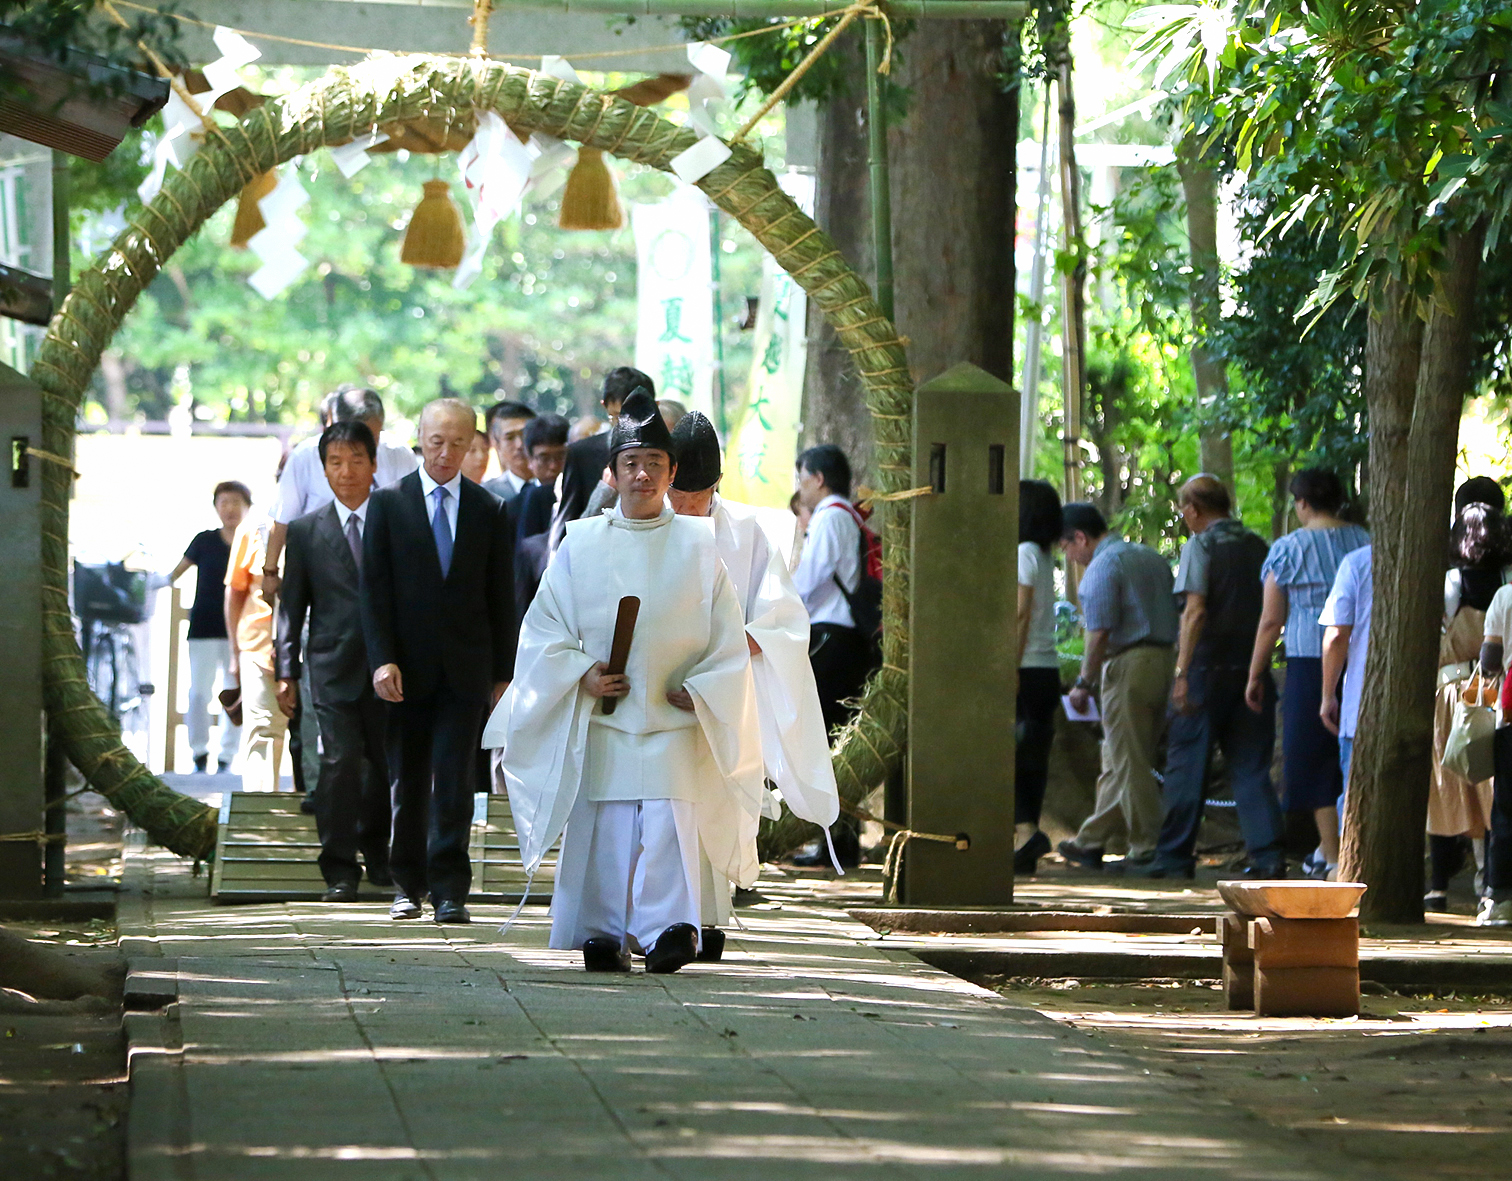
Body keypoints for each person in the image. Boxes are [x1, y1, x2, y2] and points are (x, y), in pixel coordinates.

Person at [483, 390, 764, 973]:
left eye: (655, 465)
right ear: (612, 472)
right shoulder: (580, 544)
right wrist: (581, 673)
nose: (643, 475)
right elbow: (543, 629)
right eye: (631, 463)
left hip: (673, 715)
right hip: (606, 719)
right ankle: (601, 932)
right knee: (606, 827)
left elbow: (726, 635)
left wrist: (706, 687)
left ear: (672, 473)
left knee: (667, 821)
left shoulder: (698, 545)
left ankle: (668, 929)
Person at [667, 411, 841, 947]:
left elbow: (784, 619)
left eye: (697, 495)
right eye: (678, 492)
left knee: (719, 800)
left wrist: (726, 653)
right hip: (659, 691)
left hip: (725, 691)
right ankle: (661, 917)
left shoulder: (747, 531)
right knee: (662, 802)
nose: (685, 505)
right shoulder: (647, 521)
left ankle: (711, 915)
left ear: (717, 485)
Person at [361, 399, 517, 924]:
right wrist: (382, 660)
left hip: (467, 669)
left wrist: (503, 674)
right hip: (405, 670)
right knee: (407, 779)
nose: (447, 453)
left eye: (459, 443)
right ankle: (406, 882)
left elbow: (502, 596)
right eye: (436, 442)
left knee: (454, 783)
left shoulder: (488, 508)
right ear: (420, 441)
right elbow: (373, 593)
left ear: (475, 444)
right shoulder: (388, 505)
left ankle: (451, 890)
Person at [1135, 476, 1285, 879]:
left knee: (1187, 764)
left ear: (1194, 510)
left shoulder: (1200, 546)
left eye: (1184, 509)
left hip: (1206, 670)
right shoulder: (1259, 547)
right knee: (1252, 767)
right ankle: (1268, 856)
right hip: (1251, 670)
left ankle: (1174, 856)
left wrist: (1181, 672)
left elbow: (1195, 610)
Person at [275, 422, 393, 902]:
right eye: (335, 462)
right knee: (339, 763)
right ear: (323, 469)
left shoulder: (397, 521)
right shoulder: (305, 531)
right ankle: (339, 868)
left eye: (356, 461)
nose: (346, 472)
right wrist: (287, 672)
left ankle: (381, 856)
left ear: (373, 466)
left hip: (390, 669)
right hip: (331, 666)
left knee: (387, 767)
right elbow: (291, 606)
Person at [1246, 467, 1368, 878]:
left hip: (1307, 660)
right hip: (1363, 658)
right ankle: (1331, 848)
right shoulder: (1365, 542)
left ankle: (1334, 857)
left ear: (1301, 503)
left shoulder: (1287, 549)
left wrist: (1255, 674)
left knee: (1313, 757)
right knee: (1349, 756)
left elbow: (1270, 620)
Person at [1056, 503, 1179, 872]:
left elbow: (1098, 634)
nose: (1070, 557)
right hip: (1164, 661)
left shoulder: (1103, 567)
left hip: (1127, 665)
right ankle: (1090, 841)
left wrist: (1083, 682)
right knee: (1122, 756)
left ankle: (1149, 845)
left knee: (1130, 761)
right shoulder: (1151, 558)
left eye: (1067, 548)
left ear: (1081, 537)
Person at [1426, 486, 1511, 907]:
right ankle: (1488, 881)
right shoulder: (1507, 583)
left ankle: (1438, 885)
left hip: (1453, 696)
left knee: (1449, 787)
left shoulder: (1449, 584)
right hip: (1500, 695)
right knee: (1495, 790)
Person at [262, 385, 418, 599]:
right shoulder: (305, 456)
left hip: (384, 577)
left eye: (369, 438)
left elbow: (414, 517)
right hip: (323, 576)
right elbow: (282, 518)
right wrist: (270, 572)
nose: (360, 445)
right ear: (334, 425)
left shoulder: (400, 455)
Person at [165, 480, 250, 774]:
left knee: (234, 693)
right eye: (224, 502)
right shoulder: (204, 540)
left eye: (236, 502)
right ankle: (199, 753)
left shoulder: (252, 541)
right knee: (198, 693)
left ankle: (227, 756)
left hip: (239, 632)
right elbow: (175, 573)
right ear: (216, 507)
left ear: (247, 507)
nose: (230, 509)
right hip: (203, 627)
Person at [792, 444, 872, 735]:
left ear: (819, 479)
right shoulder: (846, 514)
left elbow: (810, 576)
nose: (801, 490)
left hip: (832, 635)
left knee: (820, 728)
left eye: (803, 480)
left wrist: (779, 607)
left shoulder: (829, 517)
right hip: (846, 636)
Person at [1013, 480, 1063, 875]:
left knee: (1014, 754)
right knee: (1034, 756)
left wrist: (1007, 666)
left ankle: (1024, 831)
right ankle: (1027, 833)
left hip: (1025, 666)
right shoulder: (1044, 556)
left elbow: (1019, 613)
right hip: (1048, 667)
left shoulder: (1024, 553)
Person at [1319, 543, 1372, 884]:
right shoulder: (1435, 555)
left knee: (1355, 797)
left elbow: (1336, 633)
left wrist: (1328, 695)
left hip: (1360, 705)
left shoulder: (1358, 561)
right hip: (1429, 703)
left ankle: (1350, 876)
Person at [225, 511, 286, 792]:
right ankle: (261, 821)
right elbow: (236, 591)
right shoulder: (254, 526)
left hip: (319, 646)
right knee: (263, 731)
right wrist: (235, 654)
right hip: (259, 644)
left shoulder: (332, 520)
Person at [551, 367, 645, 542]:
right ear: (605, 406)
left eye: (635, 417)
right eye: (617, 417)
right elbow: (566, 528)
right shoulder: (582, 454)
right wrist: (605, 492)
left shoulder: (668, 454)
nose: (627, 426)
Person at [482, 400, 536, 501]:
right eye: (510, 438)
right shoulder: (484, 495)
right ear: (496, 443)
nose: (519, 445)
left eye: (525, 435)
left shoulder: (558, 486)